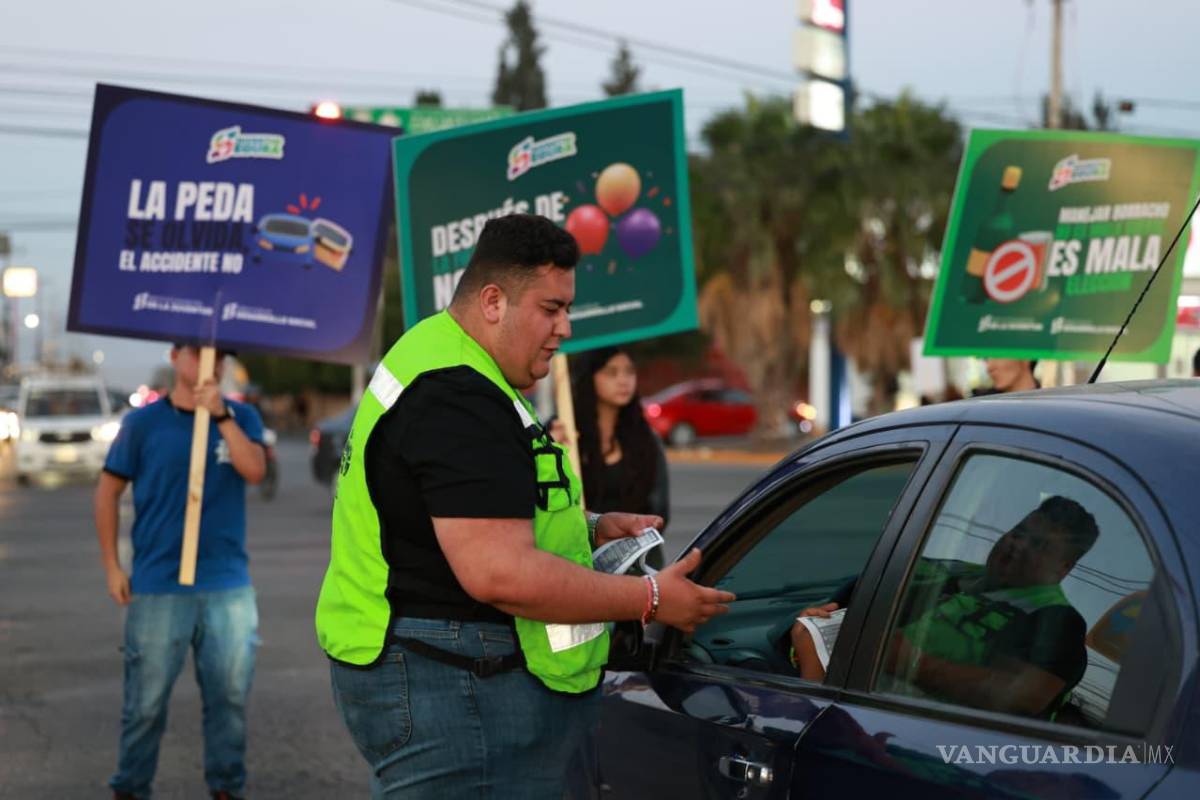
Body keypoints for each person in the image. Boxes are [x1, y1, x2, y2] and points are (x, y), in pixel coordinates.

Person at [315, 214, 734, 798]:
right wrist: (653, 598)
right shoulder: (459, 395)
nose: (566, 328)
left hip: (439, 673)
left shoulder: (441, 355)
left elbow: (463, 508)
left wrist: (589, 527)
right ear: (493, 301)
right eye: (551, 308)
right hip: (453, 687)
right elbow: (500, 571)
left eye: (568, 309)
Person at [95, 344, 267, 800]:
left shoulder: (241, 418)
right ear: (175, 357)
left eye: (221, 355)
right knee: (145, 705)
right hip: (158, 584)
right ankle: (130, 787)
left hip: (227, 584)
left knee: (228, 702)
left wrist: (223, 418)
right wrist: (113, 565)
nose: (211, 362)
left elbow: (255, 471)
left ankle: (227, 787)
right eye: (198, 352)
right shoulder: (142, 424)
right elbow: (106, 492)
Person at [789, 495, 1098, 719]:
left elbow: (1021, 697)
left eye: (1038, 546)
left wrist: (910, 662)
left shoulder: (1057, 622)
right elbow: (858, 608)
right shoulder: (946, 572)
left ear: (1063, 568)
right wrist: (817, 631)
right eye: (1019, 533)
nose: (1017, 546)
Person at [554, 347, 669, 527]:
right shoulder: (563, 431)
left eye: (629, 372)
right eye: (611, 373)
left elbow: (660, 509)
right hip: (579, 548)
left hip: (639, 546)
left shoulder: (646, 437)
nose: (623, 381)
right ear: (590, 376)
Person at [972, 359, 1039, 395]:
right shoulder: (980, 405)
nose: (989, 367)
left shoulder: (1047, 402)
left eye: (998, 356)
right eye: (986, 359)